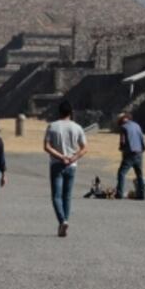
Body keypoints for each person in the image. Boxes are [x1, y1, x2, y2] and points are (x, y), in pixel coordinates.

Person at [43, 101, 87, 237]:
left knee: (56, 196)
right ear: (71, 112)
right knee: (67, 196)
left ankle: (62, 220)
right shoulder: (78, 127)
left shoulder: (52, 126)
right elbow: (84, 148)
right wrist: (73, 158)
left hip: (57, 163)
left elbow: (47, 146)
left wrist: (61, 156)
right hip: (71, 165)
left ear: (59, 112)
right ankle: (65, 220)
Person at [115, 112, 145, 200]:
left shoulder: (123, 127)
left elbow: (123, 142)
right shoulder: (137, 125)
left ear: (122, 120)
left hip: (129, 154)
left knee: (121, 173)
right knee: (139, 174)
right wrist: (142, 149)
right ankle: (141, 195)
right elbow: (142, 138)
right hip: (139, 152)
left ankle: (119, 194)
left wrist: (121, 148)